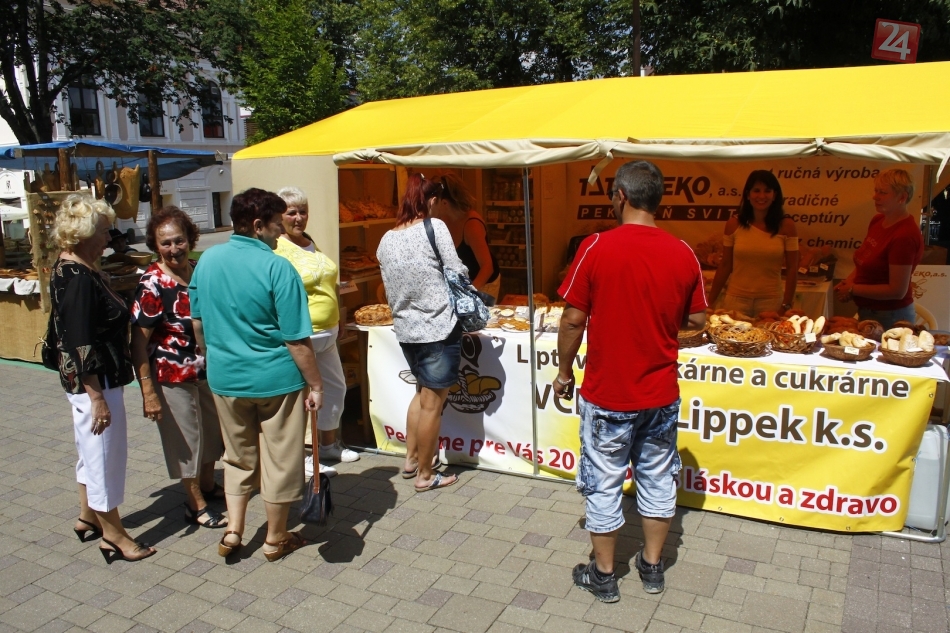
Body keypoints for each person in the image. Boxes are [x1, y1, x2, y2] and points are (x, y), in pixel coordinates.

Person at [553, 161, 706, 603]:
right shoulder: (683, 252)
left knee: (603, 482)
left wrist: (564, 371)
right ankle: (652, 566)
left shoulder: (595, 246)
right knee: (657, 479)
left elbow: (573, 319)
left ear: (620, 196)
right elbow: (698, 320)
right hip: (660, 394)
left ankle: (604, 574)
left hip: (609, 393)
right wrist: (659, 324)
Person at [189, 188, 324, 562]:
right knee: (281, 458)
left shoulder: (207, 260)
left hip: (226, 379)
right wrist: (316, 384)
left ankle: (234, 528)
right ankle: (275, 537)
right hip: (276, 380)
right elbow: (296, 339)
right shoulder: (278, 267)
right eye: (278, 223)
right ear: (258, 225)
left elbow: (198, 324)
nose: (282, 231)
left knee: (237, 456)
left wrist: (214, 356)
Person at [49, 193, 156, 563]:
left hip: (91, 380)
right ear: (82, 233)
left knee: (89, 452)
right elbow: (79, 341)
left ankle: (88, 517)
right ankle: (114, 535)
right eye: (104, 231)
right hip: (96, 382)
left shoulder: (75, 267)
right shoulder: (77, 277)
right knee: (104, 456)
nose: (109, 238)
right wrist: (96, 398)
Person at [130, 207, 227, 530]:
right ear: (156, 246)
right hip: (171, 375)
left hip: (207, 369)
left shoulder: (198, 271)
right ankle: (195, 504)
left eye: (179, 240)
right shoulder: (152, 283)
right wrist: (147, 392)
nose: (174, 249)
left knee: (212, 433)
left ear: (190, 239)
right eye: (166, 243)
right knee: (186, 440)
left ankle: (208, 485)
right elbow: (137, 342)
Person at [377, 174, 463, 492]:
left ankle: (412, 460)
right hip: (438, 326)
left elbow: (389, 285)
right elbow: (456, 269)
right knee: (431, 404)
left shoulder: (386, 239)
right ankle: (426, 475)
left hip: (406, 329)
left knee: (420, 394)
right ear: (432, 201)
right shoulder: (434, 227)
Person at [275, 186, 360, 478]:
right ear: (279, 217)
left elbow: (326, 282)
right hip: (303, 335)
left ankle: (328, 445)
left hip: (328, 332)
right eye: (291, 212)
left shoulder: (310, 242)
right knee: (303, 397)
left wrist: (338, 318)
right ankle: (303, 456)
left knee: (336, 388)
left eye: (303, 211)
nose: (299, 218)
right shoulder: (278, 247)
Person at [834, 168, 923, 330]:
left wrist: (853, 289)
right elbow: (864, 262)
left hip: (891, 315)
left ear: (902, 197)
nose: (875, 197)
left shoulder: (905, 235)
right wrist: (849, 282)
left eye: (882, 193)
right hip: (869, 311)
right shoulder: (878, 220)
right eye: (876, 191)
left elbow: (897, 290)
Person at [706, 170, 799, 316]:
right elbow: (725, 265)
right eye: (756, 191)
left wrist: (786, 304)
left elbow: (793, 267)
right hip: (736, 301)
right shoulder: (733, 224)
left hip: (771, 302)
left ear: (774, 195)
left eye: (767, 191)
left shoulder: (787, 226)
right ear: (748, 195)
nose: (761, 196)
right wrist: (709, 301)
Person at [429, 173, 501, 300]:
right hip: (464, 281)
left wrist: (468, 293)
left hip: (484, 282)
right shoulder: (443, 220)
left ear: (444, 203)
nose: (430, 206)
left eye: (434, 202)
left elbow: (487, 267)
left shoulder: (472, 225)